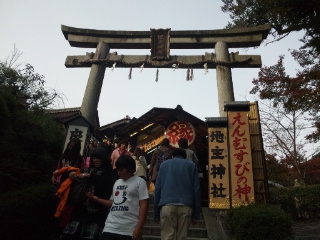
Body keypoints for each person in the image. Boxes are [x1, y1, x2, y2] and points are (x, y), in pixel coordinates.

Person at [60, 147, 118, 240]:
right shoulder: (85, 170)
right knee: (70, 235)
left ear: (104, 159)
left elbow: (109, 184)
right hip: (80, 209)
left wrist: (91, 177)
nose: (95, 160)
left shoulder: (110, 173)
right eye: (94, 158)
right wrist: (70, 175)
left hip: (98, 210)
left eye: (98, 158)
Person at [87, 155, 149, 240]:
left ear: (130, 169)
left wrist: (139, 227)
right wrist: (95, 199)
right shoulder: (117, 182)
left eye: (121, 170)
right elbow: (112, 202)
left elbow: (144, 205)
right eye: (117, 170)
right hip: (110, 227)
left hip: (128, 230)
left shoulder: (140, 182)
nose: (119, 172)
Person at [153, 148, 201, 240]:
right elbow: (196, 190)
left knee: (167, 236)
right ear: (185, 156)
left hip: (167, 205)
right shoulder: (191, 166)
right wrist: (196, 214)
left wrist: (156, 213)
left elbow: (157, 189)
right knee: (182, 236)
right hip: (186, 205)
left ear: (172, 156)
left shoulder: (163, 165)